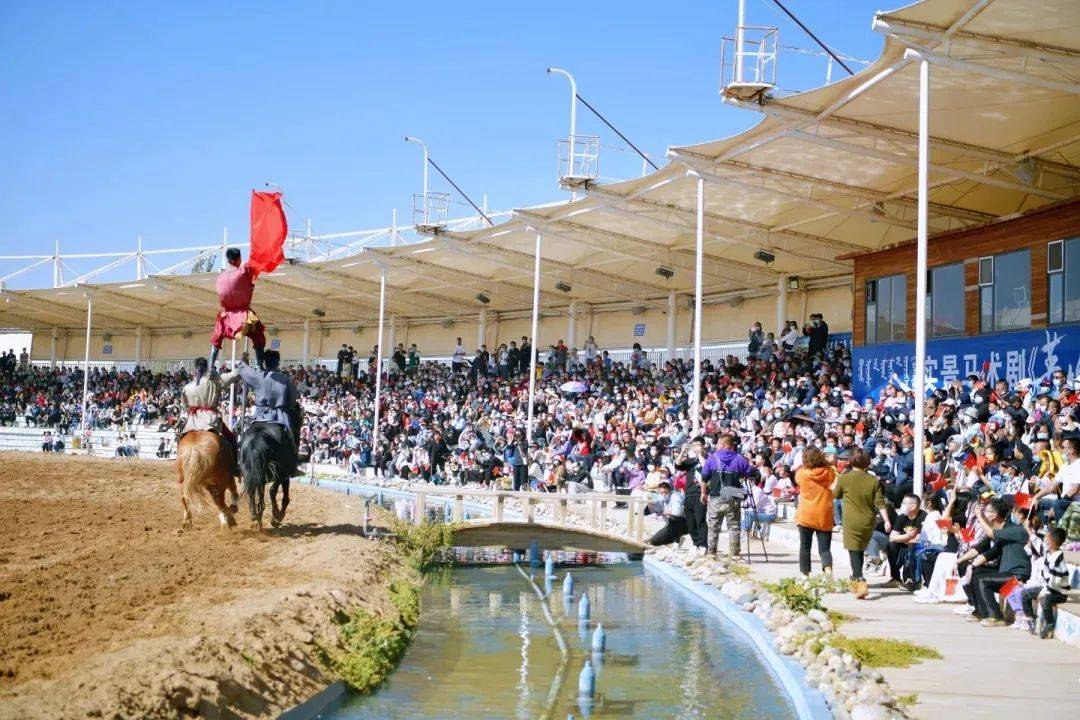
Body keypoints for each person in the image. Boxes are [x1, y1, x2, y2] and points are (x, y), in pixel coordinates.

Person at [233, 350, 302, 475]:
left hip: (260, 416)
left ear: (265, 363)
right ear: (278, 363)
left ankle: (241, 461)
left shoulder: (258, 376)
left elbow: (241, 367)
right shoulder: (286, 381)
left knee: (246, 436)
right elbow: (292, 402)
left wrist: (244, 359)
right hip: (280, 417)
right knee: (292, 438)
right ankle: (293, 466)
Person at [835, 447, 890, 598]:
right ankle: (854, 579)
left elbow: (836, 494)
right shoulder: (873, 480)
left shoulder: (845, 478)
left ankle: (860, 581)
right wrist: (886, 520)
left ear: (851, 462)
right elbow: (879, 502)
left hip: (851, 520)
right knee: (859, 549)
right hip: (868, 521)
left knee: (854, 551)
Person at [969, 497, 1032, 627]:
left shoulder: (1018, 530)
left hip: (1017, 575)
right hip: (1007, 572)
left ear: (1020, 515)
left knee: (983, 580)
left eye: (1014, 512)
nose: (1011, 514)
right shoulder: (1010, 529)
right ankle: (982, 611)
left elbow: (992, 533)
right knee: (977, 573)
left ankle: (994, 616)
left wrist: (979, 516)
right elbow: (993, 531)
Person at [179, 357, 242, 468]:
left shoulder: (187, 387)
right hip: (210, 420)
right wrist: (243, 362)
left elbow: (184, 406)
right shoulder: (214, 380)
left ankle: (180, 467)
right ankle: (234, 468)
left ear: (195, 368)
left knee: (180, 441)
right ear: (207, 367)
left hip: (192, 422)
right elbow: (235, 375)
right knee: (231, 439)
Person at [209, 248, 267, 369]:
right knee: (259, 336)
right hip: (244, 315)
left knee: (216, 339)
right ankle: (259, 366)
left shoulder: (220, 277)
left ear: (228, 260)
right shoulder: (243, 270)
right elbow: (256, 260)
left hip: (226, 317)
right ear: (239, 258)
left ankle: (210, 367)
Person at [701, 434, 754, 559]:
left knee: (713, 526)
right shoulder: (740, 459)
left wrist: (703, 493)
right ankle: (735, 554)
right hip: (733, 497)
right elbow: (749, 474)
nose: (717, 447)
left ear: (724, 444)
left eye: (718, 444)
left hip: (715, 497)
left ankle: (712, 552)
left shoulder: (712, 459)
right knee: (734, 526)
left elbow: (704, 479)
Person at [1019, 527, 1070, 638]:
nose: (1044, 541)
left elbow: (1055, 580)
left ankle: (1049, 624)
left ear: (1051, 542)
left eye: (1046, 538)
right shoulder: (1047, 553)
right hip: (1047, 589)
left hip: (1058, 592)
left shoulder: (1057, 559)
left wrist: (1045, 592)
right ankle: (1031, 618)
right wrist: (1028, 529)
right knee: (1024, 594)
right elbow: (1037, 543)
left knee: (1045, 599)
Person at [794, 446, 836, 577]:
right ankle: (828, 570)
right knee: (825, 548)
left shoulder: (801, 473)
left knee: (805, 547)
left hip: (806, 513)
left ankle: (805, 575)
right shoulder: (829, 471)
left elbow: (798, 482)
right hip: (824, 513)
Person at [886, 493, 926, 588]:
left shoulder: (923, 516)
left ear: (913, 506)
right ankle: (896, 578)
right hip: (903, 545)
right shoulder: (902, 517)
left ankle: (913, 580)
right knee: (891, 545)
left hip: (916, 548)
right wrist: (907, 536)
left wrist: (904, 539)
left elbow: (919, 539)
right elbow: (892, 537)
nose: (901, 505)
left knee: (912, 545)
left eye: (904, 503)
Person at [647, 481, 687, 545]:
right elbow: (654, 510)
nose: (663, 494)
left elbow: (677, 513)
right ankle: (678, 538)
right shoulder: (659, 497)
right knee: (654, 541)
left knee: (673, 518)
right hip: (670, 525)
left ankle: (676, 541)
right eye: (661, 493)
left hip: (683, 524)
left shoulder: (676, 496)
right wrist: (651, 504)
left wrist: (662, 513)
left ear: (670, 491)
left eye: (665, 492)